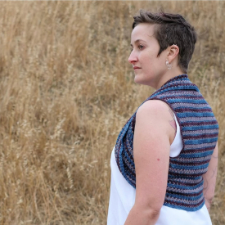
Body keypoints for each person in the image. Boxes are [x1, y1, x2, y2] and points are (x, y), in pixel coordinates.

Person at [107, 10, 219, 225]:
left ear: (170, 53)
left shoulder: (155, 111)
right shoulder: (205, 113)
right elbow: (206, 197)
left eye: (140, 47)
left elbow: (149, 208)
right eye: (132, 48)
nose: (131, 57)